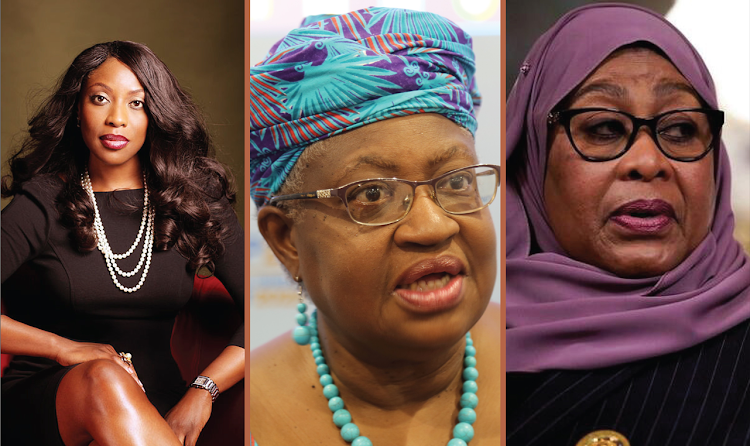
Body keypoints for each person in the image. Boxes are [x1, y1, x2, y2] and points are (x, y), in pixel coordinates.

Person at [249, 8, 501, 445]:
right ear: (286, 239)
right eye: (371, 194)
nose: (433, 225)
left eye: (457, 181)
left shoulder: (550, 361)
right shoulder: (242, 417)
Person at [505, 4, 750, 445]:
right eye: (603, 128)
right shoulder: (440, 343)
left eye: (679, 130)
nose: (648, 162)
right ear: (531, 160)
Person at [1, 41, 244, 446]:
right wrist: (64, 349)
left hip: (159, 403)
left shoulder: (194, 199)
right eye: (100, 99)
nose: (116, 119)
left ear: (156, 115)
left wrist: (204, 391)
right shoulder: (43, 201)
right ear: (77, 109)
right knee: (103, 376)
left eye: (136, 104)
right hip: (53, 402)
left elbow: (275, 306)